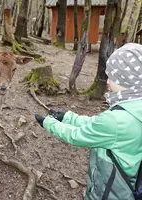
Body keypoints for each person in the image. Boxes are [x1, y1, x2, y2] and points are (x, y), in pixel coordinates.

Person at [35, 43, 142, 200]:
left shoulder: (115, 121)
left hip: (109, 191)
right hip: (127, 187)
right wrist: (67, 117)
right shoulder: (133, 109)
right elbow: (96, 123)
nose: (107, 81)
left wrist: (49, 123)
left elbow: (77, 136)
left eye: (112, 76)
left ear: (127, 80)